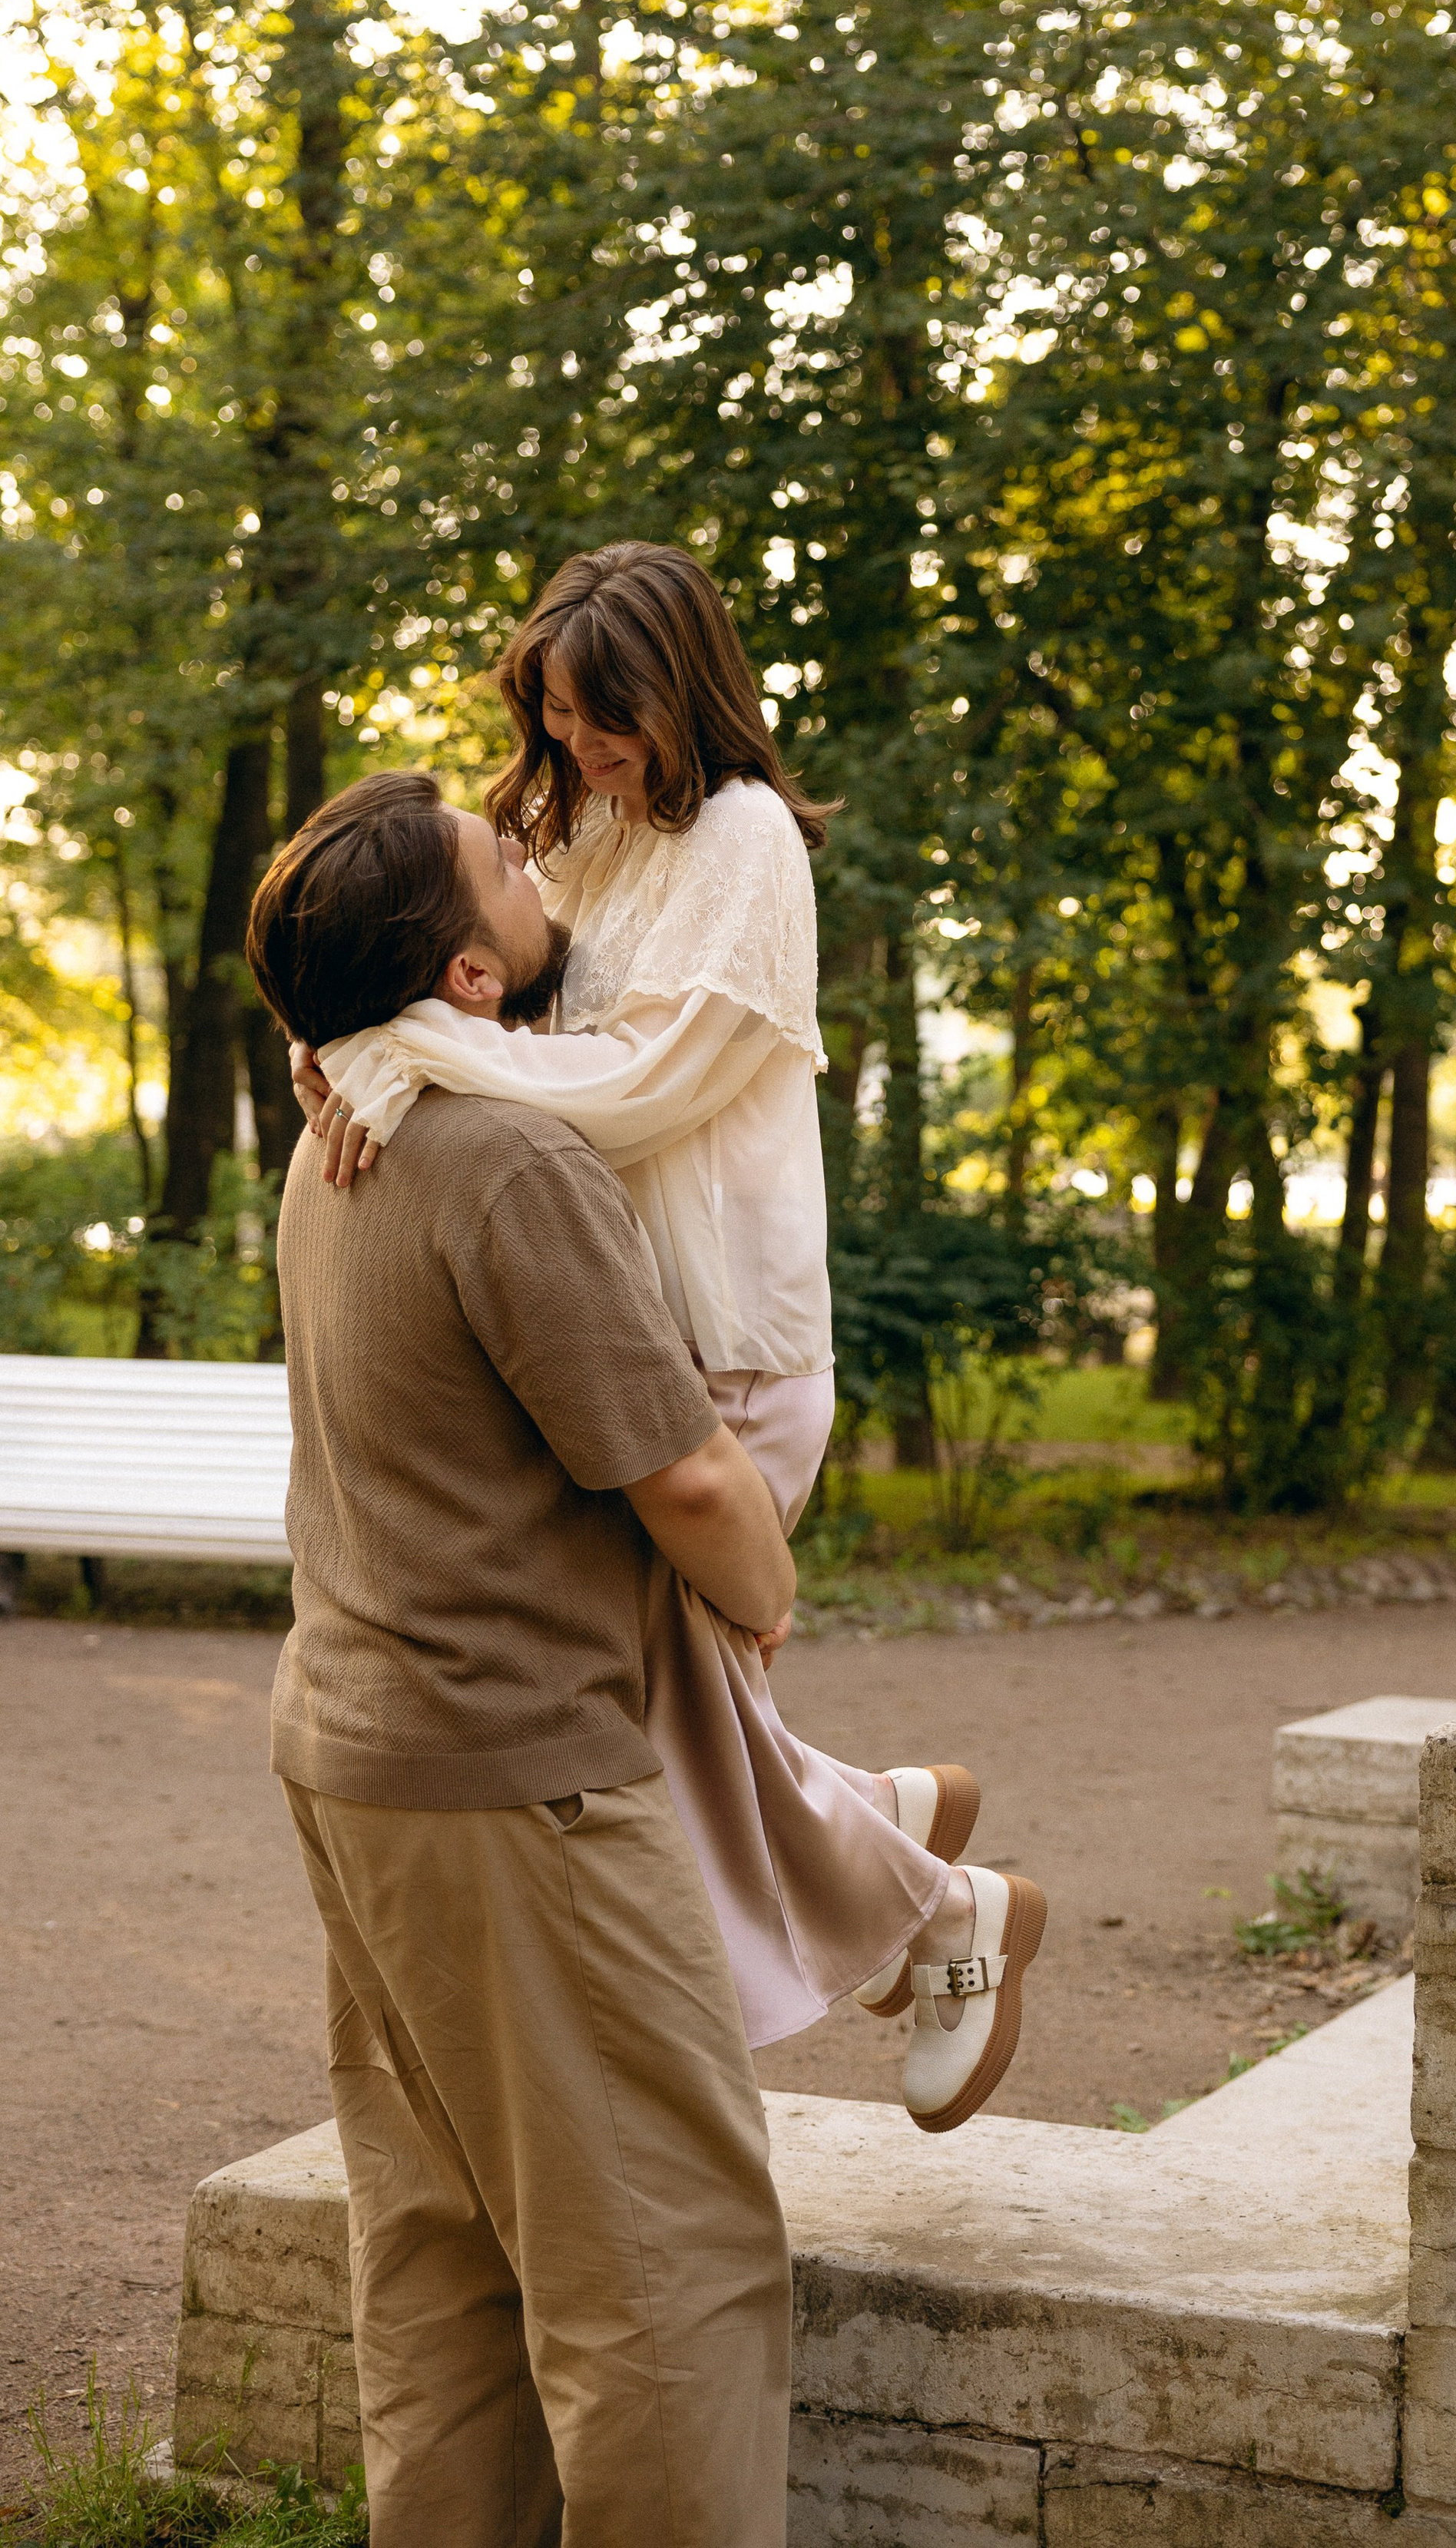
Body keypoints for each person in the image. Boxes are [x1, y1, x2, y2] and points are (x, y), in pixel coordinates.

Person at [295, 542, 1045, 2137]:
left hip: (724, 1346)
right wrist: (363, 1039)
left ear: (680, 688)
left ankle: (935, 1902)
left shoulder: (747, 841)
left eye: (605, 715)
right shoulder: (577, 830)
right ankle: (907, 1859)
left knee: (645, 1718)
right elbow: (463, 985)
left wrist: (409, 1048)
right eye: (555, 713)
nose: (578, 745)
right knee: (661, 1708)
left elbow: (641, 1087)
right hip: (611, 1334)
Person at [245, 767, 796, 2548]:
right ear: (469, 976)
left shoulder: (342, 1139)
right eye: (503, 862)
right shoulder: (506, 1156)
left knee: (446, 2245)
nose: (536, 859)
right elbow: (683, 1475)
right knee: (665, 2255)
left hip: (356, 1753)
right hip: (514, 1782)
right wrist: (761, 1588)